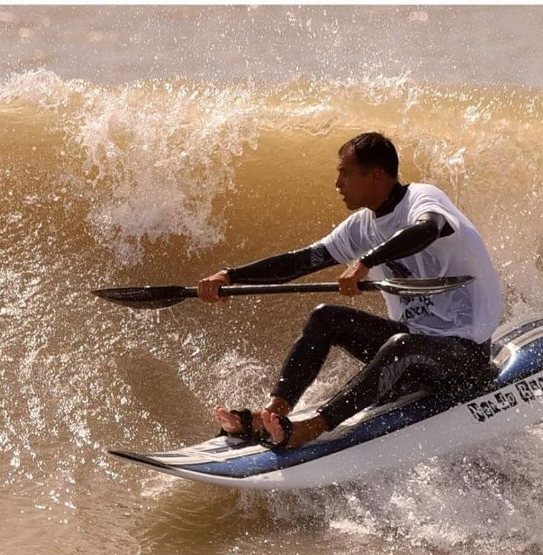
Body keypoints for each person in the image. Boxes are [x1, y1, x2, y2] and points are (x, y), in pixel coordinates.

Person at [197, 132, 502, 449]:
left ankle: (311, 428)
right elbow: (301, 262)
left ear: (376, 176)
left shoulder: (422, 199)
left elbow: (429, 229)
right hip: (414, 354)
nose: (337, 184)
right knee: (325, 317)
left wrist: (366, 262)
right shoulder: (361, 226)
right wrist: (230, 276)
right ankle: (271, 415)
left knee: (402, 345)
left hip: (465, 358)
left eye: (345, 173)